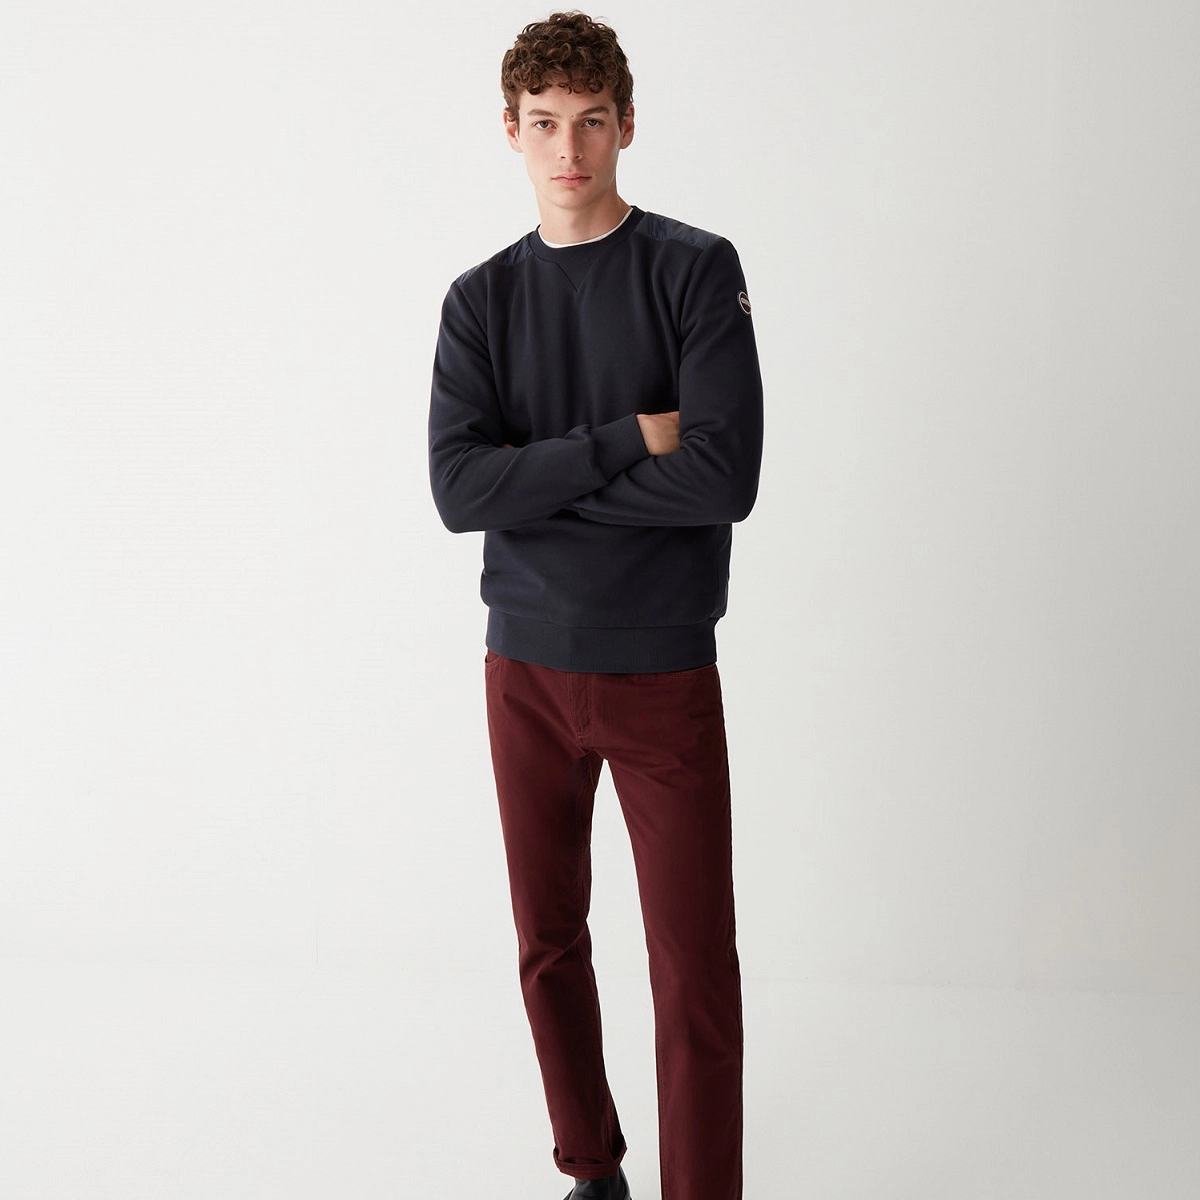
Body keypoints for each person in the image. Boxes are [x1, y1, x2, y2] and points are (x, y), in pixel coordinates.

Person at [427, 12, 763, 1200]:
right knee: (547, 941)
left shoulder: (694, 270)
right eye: (545, 124)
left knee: (692, 963)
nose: (567, 148)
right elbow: (459, 492)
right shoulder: (479, 301)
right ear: (510, 132)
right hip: (523, 668)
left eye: (590, 122)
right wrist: (625, 439)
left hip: (661, 670)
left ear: (626, 126)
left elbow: (724, 479)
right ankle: (591, 1169)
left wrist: (538, 484)